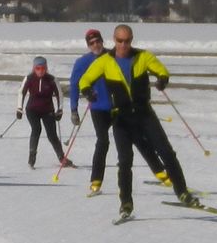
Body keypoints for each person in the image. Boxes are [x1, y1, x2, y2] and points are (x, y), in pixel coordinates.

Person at [76, 24, 198, 222]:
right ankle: (126, 203)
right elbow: (85, 79)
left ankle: (182, 192)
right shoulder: (105, 61)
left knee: (166, 152)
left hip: (144, 114)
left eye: (127, 41)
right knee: (125, 161)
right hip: (121, 118)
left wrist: (162, 79)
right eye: (120, 41)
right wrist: (88, 91)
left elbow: (161, 69)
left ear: (131, 40)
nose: (124, 45)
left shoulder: (143, 56)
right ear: (114, 40)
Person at [68, 27, 164, 194]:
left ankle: (160, 172)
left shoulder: (113, 56)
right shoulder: (82, 62)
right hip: (98, 109)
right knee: (102, 142)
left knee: (138, 137)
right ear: (88, 45)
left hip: (118, 107)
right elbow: (75, 85)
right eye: (92, 43)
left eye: (98, 41)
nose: (96, 45)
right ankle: (96, 180)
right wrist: (73, 109)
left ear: (102, 41)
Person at [17, 55, 69, 169]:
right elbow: (22, 92)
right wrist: (19, 108)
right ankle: (32, 157)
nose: (41, 71)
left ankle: (62, 157)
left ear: (46, 68)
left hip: (47, 110)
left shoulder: (52, 79)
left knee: (52, 134)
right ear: (34, 68)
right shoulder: (29, 78)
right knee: (36, 129)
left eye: (43, 68)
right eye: (38, 68)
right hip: (32, 110)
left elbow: (59, 94)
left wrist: (60, 109)